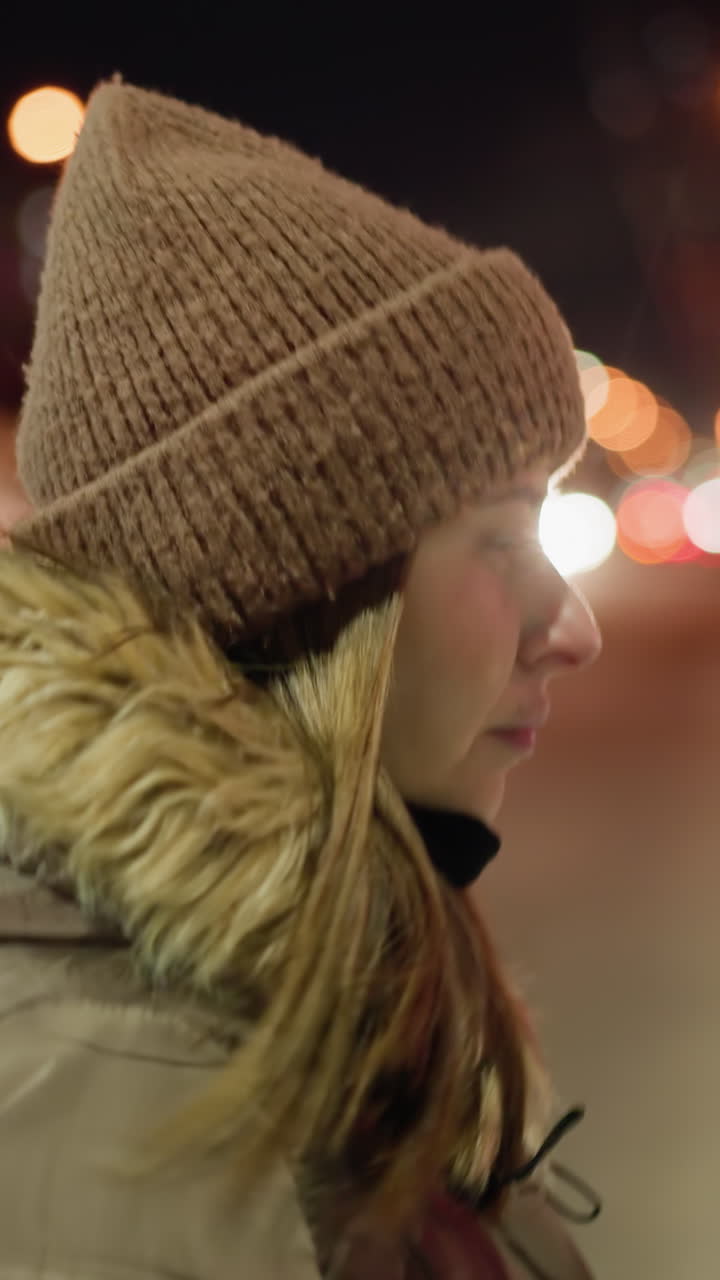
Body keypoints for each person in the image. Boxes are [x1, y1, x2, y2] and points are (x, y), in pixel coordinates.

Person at [0, 78, 603, 1278]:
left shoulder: (299, 1004)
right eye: (499, 533)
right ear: (307, 589)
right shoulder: (150, 1141)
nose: (574, 627)